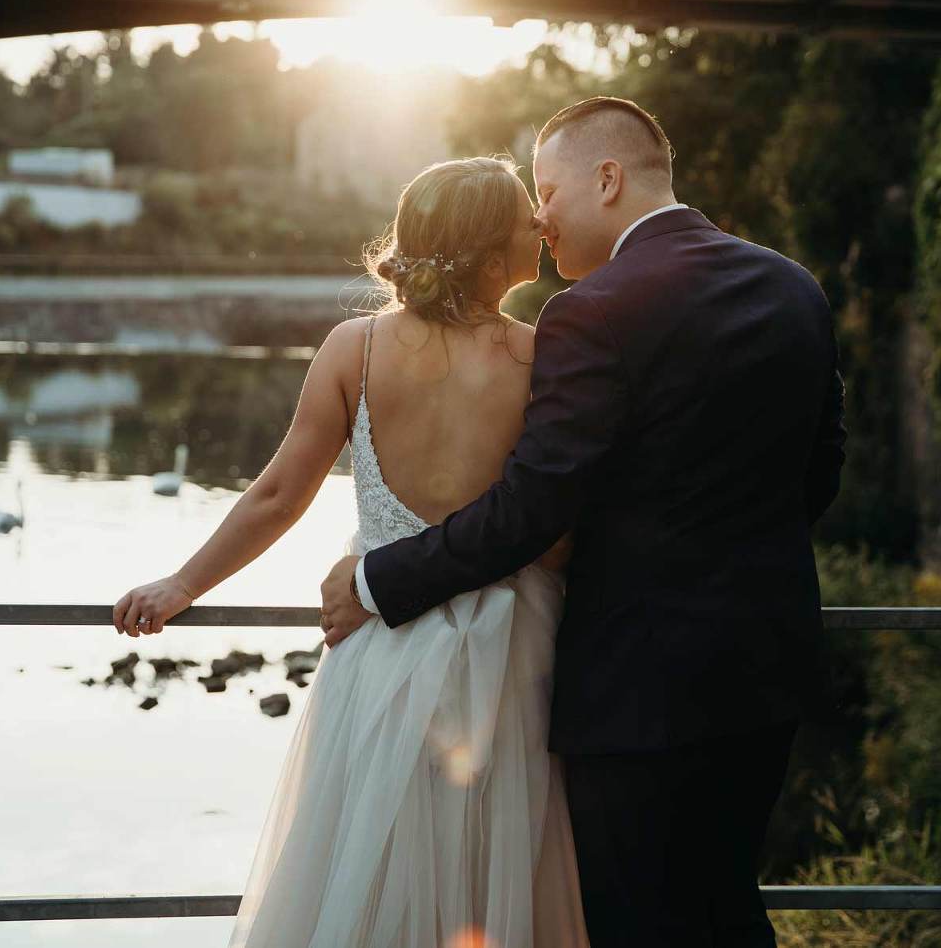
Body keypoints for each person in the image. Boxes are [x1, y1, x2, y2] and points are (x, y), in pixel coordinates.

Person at [320, 96, 847, 947]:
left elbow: (535, 504)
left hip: (635, 684)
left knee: (633, 920)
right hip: (765, 664)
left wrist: (381, 580)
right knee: (726, 906)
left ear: (608, 179)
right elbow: (818, 472)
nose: (539, 218)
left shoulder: (593, 311)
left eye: (548, 192)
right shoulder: (793, 287)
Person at [113, 155, 591, 947]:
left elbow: (277, 496)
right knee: (496, 867)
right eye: (521, 218)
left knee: (363, 859)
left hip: (380, 646)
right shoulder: (538, 357)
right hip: (513, 655)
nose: (539, 227)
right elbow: (550, 532)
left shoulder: (355, 348)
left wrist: (181, 583)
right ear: (484, 247)